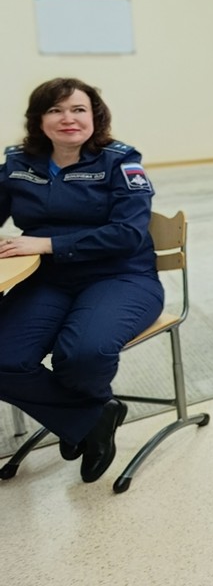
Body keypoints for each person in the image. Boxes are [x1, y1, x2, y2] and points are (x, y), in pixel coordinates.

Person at [0, 78, 163, 483]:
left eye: (78, 109)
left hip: (121, 275)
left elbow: (128, 233)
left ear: (95, 116)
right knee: (4, 357)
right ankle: (92, 417)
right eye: (55, 110)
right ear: (39, 119)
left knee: (82, 355)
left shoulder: (120, 160)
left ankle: (76, 419)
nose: (67, 118)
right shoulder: (18, 163)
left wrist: (47, 243)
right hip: (47, 279)